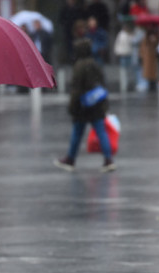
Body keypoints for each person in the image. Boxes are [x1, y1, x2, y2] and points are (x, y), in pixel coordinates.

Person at [55, 39, 116, 173]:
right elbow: (102, 83)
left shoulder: (79, 66)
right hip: (96, 105)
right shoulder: (95, 64)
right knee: (101, 132)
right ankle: (108, 159)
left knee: (77, 133)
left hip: (82, 107)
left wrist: (72, 106)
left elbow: (76, 89)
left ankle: (70, 159)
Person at [59, 0, 87, 64]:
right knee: (69, 46)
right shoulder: (64, 9)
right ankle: (70, 59)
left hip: (76, 30)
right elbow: (61, 19)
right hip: (68, 31)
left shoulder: (78, 9)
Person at [139, 26, 159, 91]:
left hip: (152, 57)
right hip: (148, 57)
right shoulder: (145, 38)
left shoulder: (154, 37)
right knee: (148, 72)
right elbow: (143, 47)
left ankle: (153, 85)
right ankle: (150, 85)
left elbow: (156, 44)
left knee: (153, 72)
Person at [114, 22, 134, 88]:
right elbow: (117, 44)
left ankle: (128, 83)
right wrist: (117, 52)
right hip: (123, 54)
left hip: (128, 54)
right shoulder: (121, 34)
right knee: (123, 70)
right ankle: (124, 84)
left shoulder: (129, 34)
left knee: (128, 70)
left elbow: (131, 42)